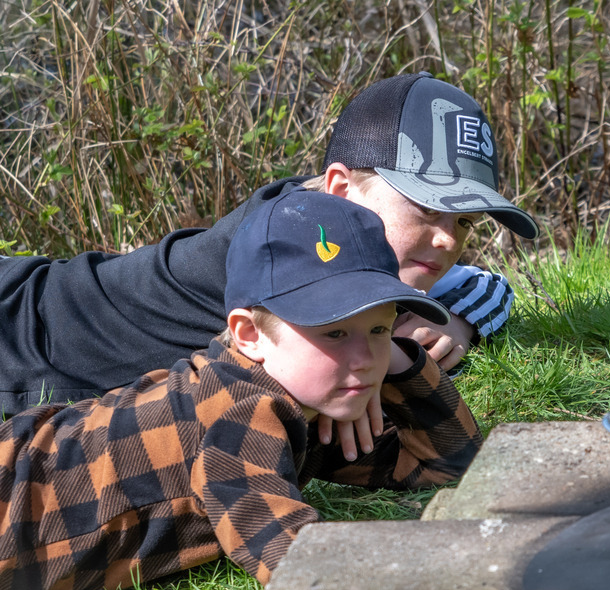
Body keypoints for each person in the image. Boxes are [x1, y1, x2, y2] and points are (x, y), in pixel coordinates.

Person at [0, 190, 483, 590]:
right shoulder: (242, 412)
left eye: (378, 328)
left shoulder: (302, 400)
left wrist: (402, 363)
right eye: (335, 332)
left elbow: (450, 463)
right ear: (249, 334)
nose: (364, 358)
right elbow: (296, 559)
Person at [0, 72, 539, 439]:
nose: (448, 240)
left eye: (464, 221)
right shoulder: (289, 249)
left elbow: (485, 284)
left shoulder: (330, 230)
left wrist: (461, 319)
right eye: (425, 209)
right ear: (340, 188)